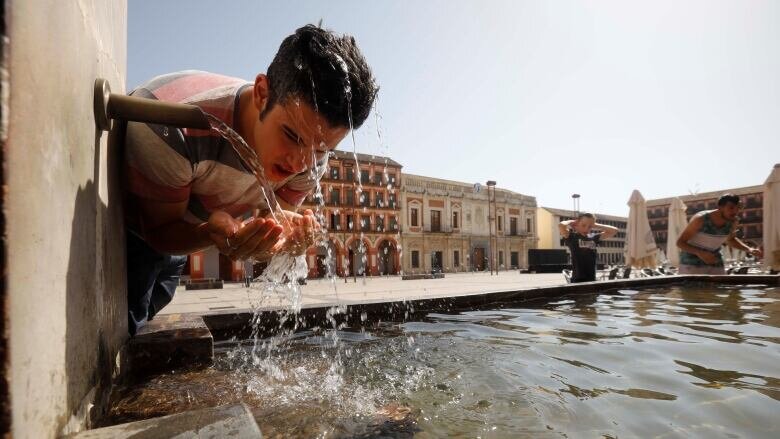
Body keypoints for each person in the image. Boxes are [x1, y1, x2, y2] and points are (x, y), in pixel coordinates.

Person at [123, 25, 378, 334]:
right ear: (262, 93)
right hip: (132, 235)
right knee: (126, 326)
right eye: (292, 135)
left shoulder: (313, 156)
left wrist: (283, 238)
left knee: (152, 308)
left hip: (181, 236)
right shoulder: (171, 126)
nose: (300, 163)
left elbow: (272, 216)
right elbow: (158, 232)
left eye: (322, 148)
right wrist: (209, 234)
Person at [676, 193, 762, 274]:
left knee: (720, 289)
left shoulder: (733, 221)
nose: (735, 211)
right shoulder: (701, 219)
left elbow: (730, 240)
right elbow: (680, 243)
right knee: (693, 290)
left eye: (737, 208)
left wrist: (749, 249)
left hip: (715, 262)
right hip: (691, 264)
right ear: (720, 207)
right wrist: (700, 253)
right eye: (731, 208)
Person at [559, 213, 619, 283]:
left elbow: (614, 230)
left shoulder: (594, 237)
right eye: (583, 225)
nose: (586, 228)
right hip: (577, 279)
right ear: (577, 224)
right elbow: (561, 225)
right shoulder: (571, 237)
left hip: (592, 278)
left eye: (590, 226)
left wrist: (596, 225)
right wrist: (572, 222)